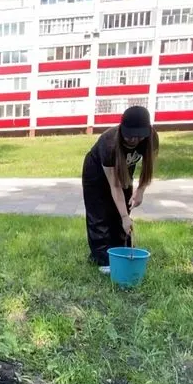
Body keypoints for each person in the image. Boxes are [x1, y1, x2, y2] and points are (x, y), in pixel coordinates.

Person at [81, 106, 159, 274]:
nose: (134, 140)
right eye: (130, 134)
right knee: (100, 213)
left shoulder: (151, 138)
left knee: (121, 214)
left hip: (124, 171)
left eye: (139, 135)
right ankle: (102, 258)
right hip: (95, 173)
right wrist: (124, 216)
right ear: (122, 129)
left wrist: (140, 190)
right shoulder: (109, 142)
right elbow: (114, 186)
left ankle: (121, 253)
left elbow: (148, 168)